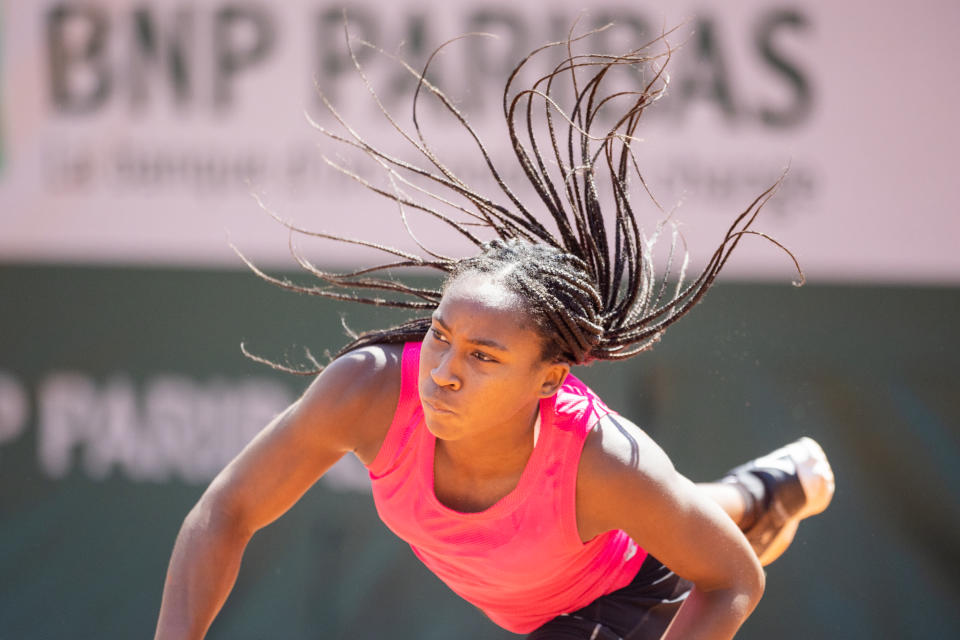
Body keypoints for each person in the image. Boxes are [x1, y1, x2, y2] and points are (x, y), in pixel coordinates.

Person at [154, 26, 834, 640]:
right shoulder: (366, 391)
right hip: (584, 557)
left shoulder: (604, 461)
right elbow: (225, 511)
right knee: (670, 518)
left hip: (620, 599)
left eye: (484, 355)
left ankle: (744, 503)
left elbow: (734, 581)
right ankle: (756, 496)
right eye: (443, 336)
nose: (444, 369)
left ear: (548, 379)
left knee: (671, 528)